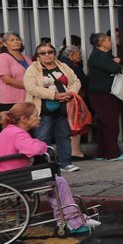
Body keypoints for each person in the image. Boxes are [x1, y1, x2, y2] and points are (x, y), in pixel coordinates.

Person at [0, 102, 99, 234]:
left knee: (53, 179)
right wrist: (42, 145)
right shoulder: (18, 134)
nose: (39, 118)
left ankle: (70, 218)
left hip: (4, 176)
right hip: (12, 179)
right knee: (58, 181)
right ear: (24, 119)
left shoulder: (10, 130)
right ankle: (71, 221)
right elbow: (34, 149)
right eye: (36, 115)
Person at [22, 42, 82, 172]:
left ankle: (66, 163)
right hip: (43, 110)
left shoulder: (63, 66)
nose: (47, 55)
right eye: (43, 53)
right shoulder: (33, 69)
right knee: (42, 138)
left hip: (63, 108)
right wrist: (54, 95)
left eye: (50, 52)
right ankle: (40, 166)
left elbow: (76, 81)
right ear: (38, 56)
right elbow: (31, 88)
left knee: (64, 136)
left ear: (55, 54)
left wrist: (70, 93)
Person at [86, 32, 123, 161]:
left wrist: (117, 61)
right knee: (110, 123)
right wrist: (117, 62)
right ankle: (112, 154)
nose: (110, 43)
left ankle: (102, 152)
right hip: (103, 94)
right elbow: (115, 68)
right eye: (108, 40)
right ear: (102, 43)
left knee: (103, 123)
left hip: (100, 93)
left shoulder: (101, 55)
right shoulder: (100, 56)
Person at [0, 33, 31, 118]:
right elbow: (6, 79)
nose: (16, 42)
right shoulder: (2, 57)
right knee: (14, 126)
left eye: (17, 39)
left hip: (28, 98)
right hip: (11, 100)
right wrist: (29, 86)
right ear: (5, 44)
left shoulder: (26, 58)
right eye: (12, 40)